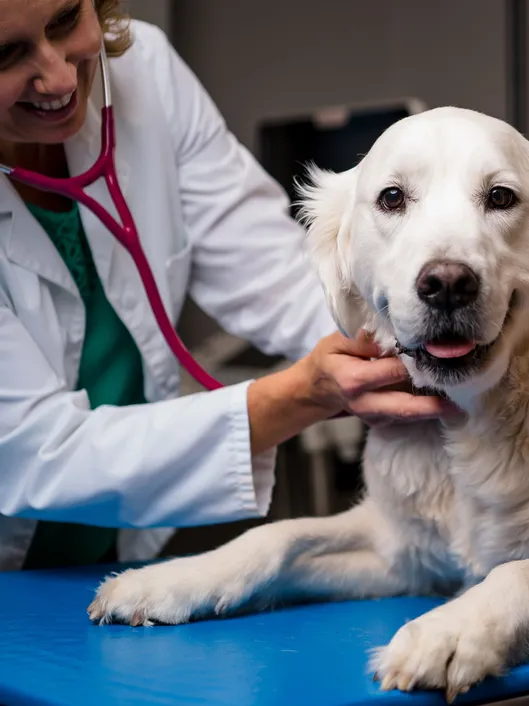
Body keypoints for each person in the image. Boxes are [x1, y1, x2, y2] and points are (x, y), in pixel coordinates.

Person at [0, 0, 456, 572]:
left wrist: (404, 344)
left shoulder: (143, 71)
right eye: (6, 54)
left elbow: (280, 274)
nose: (61, 76)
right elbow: (35, 451)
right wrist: (300, 395)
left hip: (115, 544)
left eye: (66, 20)